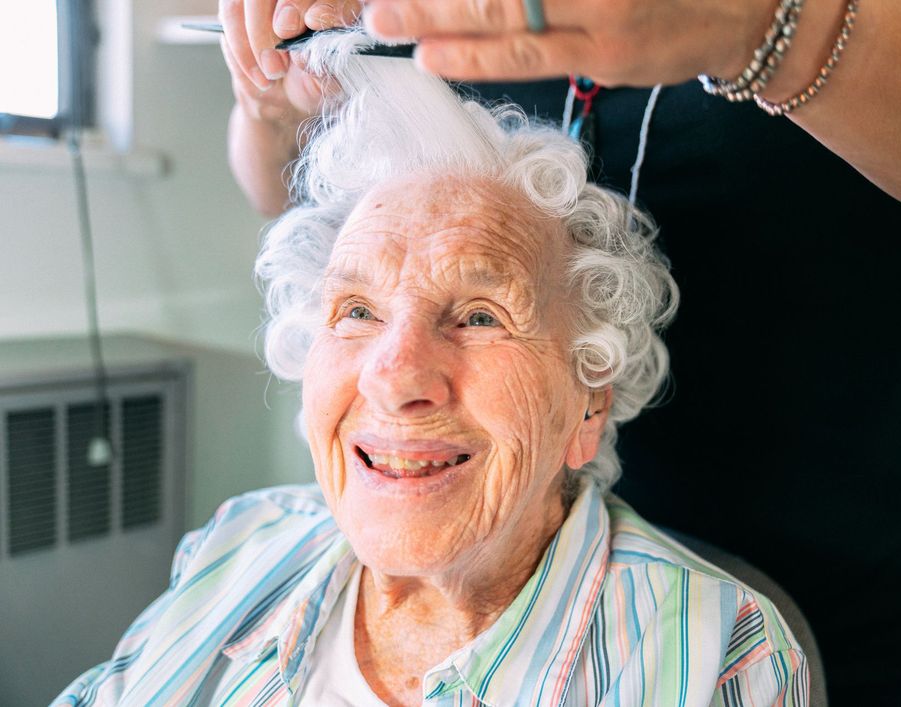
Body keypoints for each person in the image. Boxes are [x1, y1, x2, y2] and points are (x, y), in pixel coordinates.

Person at [218, 2, 901, 705]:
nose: (391, 374)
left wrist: (763, 27)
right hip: (516, 529)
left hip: (869, 520)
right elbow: (279, 186)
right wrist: (274, 96)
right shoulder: (241, 559)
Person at [52, 36, 807, 706]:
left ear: (589, 405)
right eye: (357, 310)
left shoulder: (716, 657)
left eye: (479, 316)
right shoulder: (241, 541)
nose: (395, 376)